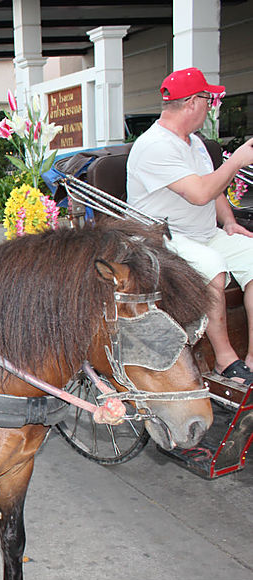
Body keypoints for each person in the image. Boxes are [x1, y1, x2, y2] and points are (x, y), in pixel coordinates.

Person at [127, 67, 253, 385]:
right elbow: (199, 194)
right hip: (160, 238)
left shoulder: (193, 142)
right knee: (212, 266)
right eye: (209, 99)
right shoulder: (155, 145)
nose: (211, 106)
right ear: (193, 103)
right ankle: (226, 360)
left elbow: (213, 187)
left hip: (203, 233)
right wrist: (236, 160)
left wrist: (229, 222)